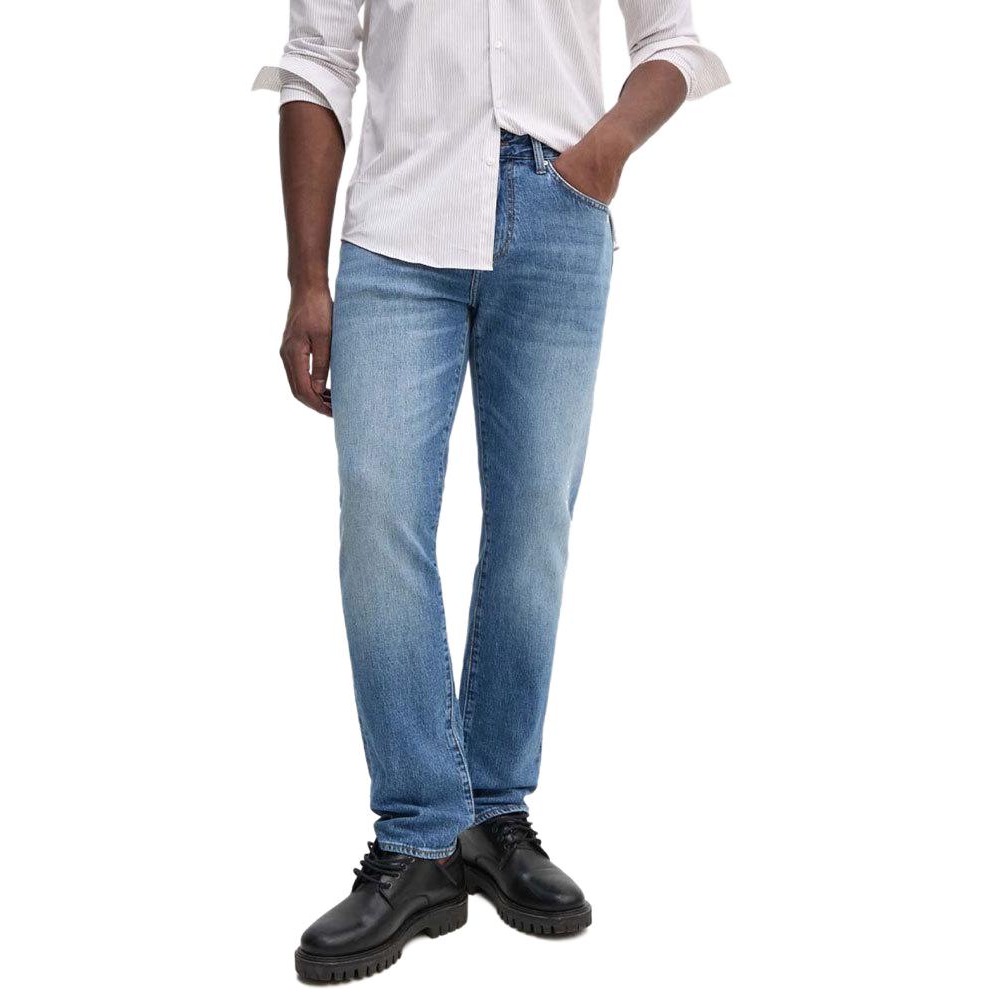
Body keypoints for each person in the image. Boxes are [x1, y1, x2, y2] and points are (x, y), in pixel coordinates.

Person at [254, 1, 727, 980]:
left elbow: (670, 43)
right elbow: (315, 67)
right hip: (395, 231)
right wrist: (306, 278)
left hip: (559, 220)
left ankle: (492, 812)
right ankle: (420, 835)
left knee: (531, 526)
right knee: (381, 518)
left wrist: (600, 153)